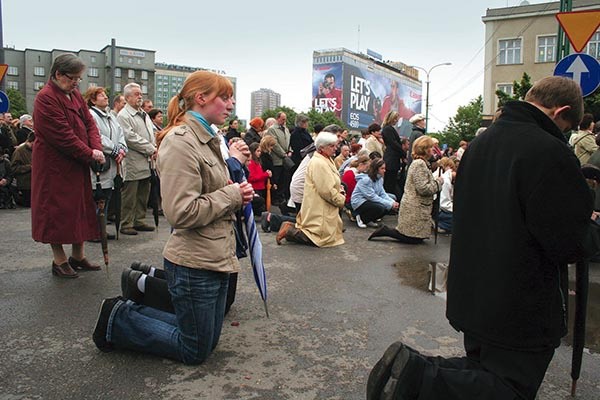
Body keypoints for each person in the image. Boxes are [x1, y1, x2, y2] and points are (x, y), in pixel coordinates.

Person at [367, 76, 593, 400]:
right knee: (510, 387)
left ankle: (411, 369)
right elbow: (568, 240)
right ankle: (416, 378)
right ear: (562, 111)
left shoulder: (481, 144)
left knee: (486, 372)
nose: (566, 134)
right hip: (518, 300)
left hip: (473, 293)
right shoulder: (549, 150)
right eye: (567, 126)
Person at [93, 70, 254, 364]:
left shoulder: (205, 137)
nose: (231, 104)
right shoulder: (182, 141)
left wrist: (232, 189)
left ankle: (137, 296)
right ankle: (118, 316)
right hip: (195, 261)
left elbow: (208, 189)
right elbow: (181, 211)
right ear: (201, 98)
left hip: (214, 254)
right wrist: (232, 196)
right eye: (224, 97)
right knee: (194, 350)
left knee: (207, 340)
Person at [31, 53, 105, 278]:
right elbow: (62, 136)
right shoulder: (46, 98)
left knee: (79, 209)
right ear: (58, 74)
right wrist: (89, 153)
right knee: (57, 212)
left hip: (77, 163)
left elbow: (89, 123)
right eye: (72, 78)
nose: (76, 82)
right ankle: (59, 260)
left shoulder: (74, 95)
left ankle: (78, 255)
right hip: (55, 167)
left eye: (78, 78)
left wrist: (96, 147)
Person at [276, 131, 345, 247]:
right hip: (318, 204)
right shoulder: (319, 163)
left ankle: (290, 228)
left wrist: (339, 189)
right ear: (321, 148)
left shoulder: (326, 159)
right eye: (332, 146)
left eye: (335, 145)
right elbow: (326, 190)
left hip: (319, 203)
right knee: (315, 236)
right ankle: (289, 230)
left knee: (316, 233)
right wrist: (340, 199)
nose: (335, 148)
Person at [368, 135, 443, 244]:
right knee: (413, 238)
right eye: (431, 147)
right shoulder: (420, 164)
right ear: (425, 149)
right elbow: (423, 189)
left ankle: (387, 231)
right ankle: (386, 231)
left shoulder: (421, 163)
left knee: (416, 238)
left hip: (416, 206)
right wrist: (438, 183)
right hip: (415, 207)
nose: (433, 150)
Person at [84, 86, 128, 240]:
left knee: (107, 196)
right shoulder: (91, 116)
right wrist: (114, 150)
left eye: (105, 95)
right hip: (100, 163)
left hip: (113, 164)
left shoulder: (110, 116)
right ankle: (93, 230)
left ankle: (100, 229)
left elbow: (120, 133)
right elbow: (96, 137)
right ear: (93, 100)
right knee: (98, 197)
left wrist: (122, 149)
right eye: (101, 95)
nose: (105, 97)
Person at [117, 83, 157, 235]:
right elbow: (129, 137)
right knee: (130, 194)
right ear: (127, 98)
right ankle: (126, 223)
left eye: (140, 94)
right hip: (133, 160)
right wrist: (151, 148)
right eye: (136, 94)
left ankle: (139, 220)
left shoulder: (144, 114)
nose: (140, 96)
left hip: (146, 161)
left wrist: (152, 148)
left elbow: (150, 134)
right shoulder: (123, 115)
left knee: (143, 193)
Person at [351, 158, 398, 228]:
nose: (384, 171)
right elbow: (372, 197)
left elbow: (382, 193)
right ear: (376, 169)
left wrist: (392, 202)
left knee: (391, 200)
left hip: (368, 199)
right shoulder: (366, 180)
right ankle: (362, 217)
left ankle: (371, 217)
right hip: (359, 201)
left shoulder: (380, 179)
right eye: (382, 168)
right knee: (381, 208)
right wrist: (390, 204)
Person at [265, 112, 291, 205]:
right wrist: (283, 154)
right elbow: (274, 144)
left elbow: (288, 141)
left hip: (285, 158)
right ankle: (275, 198)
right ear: (278, 118)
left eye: (285, 119)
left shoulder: (286, 129)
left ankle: (280, 196)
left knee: (283, 179)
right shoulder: (272, 129)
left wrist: (290, 150)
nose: (284, 121)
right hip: (277, 159)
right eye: (283, 119)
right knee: (276, 179)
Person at [381, 112, 405, 199]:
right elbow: (394, 144)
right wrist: (403, 153)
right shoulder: (388, 129)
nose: (396, 120)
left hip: (392, 159)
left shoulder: (388, 129)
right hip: (391, 160)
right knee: (389, 184)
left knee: (391, 183)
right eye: (395, 118)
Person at [341, 154, 370, 221]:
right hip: (350, 199)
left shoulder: (354, 172)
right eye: (367, 167)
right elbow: (353, 190)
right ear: (361, 165)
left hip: (351, 197)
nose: (367, 169)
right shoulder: (351, 173)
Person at [11, 131, 34, 207]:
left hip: (35, 183)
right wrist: (29, 167)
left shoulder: (36, 150)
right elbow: (14, 168)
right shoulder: (19, 151)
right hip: (25, 185)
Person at [247, 142, 271, 214]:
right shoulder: (251, 162)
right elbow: (252, 177)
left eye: (260, 151)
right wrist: (265, 174)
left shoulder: (258, 161)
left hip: (260, 186)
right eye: (257, 151)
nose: (259, 153)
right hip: (255, 187)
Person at [436, 157, 456, 234]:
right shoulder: (446, 181)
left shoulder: (445, 178)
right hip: (441, 211)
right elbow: (444, 204)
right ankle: (441, 224)